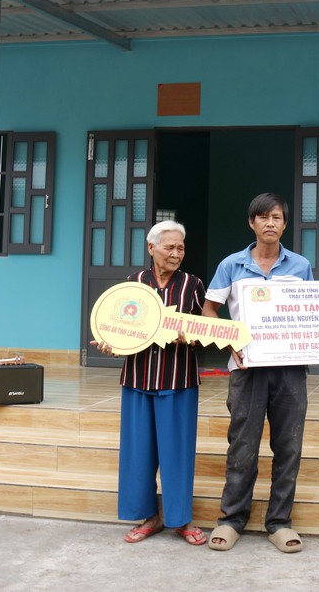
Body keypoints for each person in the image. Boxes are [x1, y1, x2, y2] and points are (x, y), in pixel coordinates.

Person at [202, 193, 314, 553]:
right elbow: (209, 309)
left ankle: (279, 522)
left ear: (284, 224)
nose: (270, 223)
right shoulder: (231, 265)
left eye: (277, 217)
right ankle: (231, 519)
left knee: (288, 447)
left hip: (290, 371)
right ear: (252, 223)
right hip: (247, 369)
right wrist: (228, 341)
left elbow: (316, 309)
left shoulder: (300, 266)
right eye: (263, 217)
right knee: (243, 446)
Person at [91, 220, 207, 546]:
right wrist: (110, 343)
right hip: (138, 379)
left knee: (177, 454)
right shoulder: (133, 284)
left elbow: (205, 329)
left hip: (178, 381)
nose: (176, 254)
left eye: (181, 248)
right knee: (138, 453)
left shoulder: (192, 285)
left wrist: (193, 336)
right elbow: (117, 329)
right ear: (151, 248)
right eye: (169, 247)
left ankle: (180, 520)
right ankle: (149, 517)